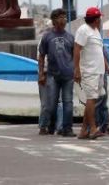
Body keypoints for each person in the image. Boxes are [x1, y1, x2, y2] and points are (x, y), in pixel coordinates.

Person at [74, 7, 109, 139]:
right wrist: (77, 69)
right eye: (99, 18)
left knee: (94, 99)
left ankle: (84, 130)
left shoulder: (96, 31)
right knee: (91, 99)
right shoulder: (83, 30)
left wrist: (108, 68)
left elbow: (100, 52)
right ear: (96, 19)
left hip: (99, 71)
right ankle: (92, 129)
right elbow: (77, 49)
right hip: (89, 71)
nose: (101, 21)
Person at [38, 9, 75, 137]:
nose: (63, 20)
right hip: (52, 75)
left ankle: (67, 128)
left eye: (65, 17)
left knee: (68, 103)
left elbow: (75, 56)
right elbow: (42, 56)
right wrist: (41, 73)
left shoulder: (70, 37)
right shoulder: (47, 36)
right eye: (60, 17)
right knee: (51, 104)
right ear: (54, 20)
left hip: (68, 76)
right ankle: (48, 125)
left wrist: (76, 71)